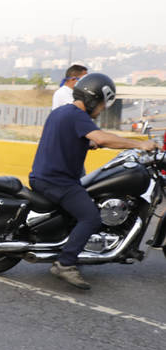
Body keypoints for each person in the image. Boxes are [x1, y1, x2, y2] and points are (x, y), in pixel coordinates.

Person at [30, 73, 157, 289]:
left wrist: (86, 144)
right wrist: (139, 144)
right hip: (58, 181)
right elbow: (101, 137)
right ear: (93, 99)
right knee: (91, 218)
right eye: (101, 105)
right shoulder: (79, 116)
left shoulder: (61, 112)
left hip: (45, 176)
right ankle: (64, 263)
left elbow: (65, 138)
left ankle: (72, 247)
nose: (101, 110)